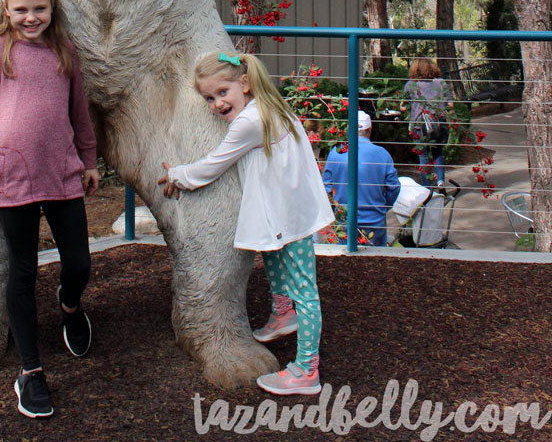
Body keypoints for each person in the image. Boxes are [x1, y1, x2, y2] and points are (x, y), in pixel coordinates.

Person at [0, 0, 99, 420]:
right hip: (12, 178)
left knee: (79, 263)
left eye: (38, 9)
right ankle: (31, 371)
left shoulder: (65, 52)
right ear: (7, 10)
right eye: (21, 10)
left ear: (51, 8)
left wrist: (88, 159)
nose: (30, 17)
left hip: (62, 172)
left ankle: (68, 304)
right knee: (22, 272)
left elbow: (79, 113)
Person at [158, 50, 334, 397]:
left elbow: (214, 164)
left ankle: (305, 370)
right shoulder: (271, 107)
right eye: (209, 98)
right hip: (283, 209)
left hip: (290, 215)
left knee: (306, 292)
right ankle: (283, 311)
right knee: (268, 253)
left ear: (245, 83)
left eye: (223, 93)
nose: (216, 103)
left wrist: (177, 175)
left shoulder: (250, 122)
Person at [322, 110, 400, 246]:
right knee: (375, 261)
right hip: (375, 221)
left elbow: (326, 187)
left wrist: (337, 209)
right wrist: (381, 207)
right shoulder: (382, 154)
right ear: (370, 130)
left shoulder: (336, 152)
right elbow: (394, 187)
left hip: (345, 220)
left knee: (346, 262)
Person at [404, 57, 453, 191]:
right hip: (439, 124)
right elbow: (451, 104)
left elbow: (403, 105)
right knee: (438, 152)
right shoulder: (441, 83)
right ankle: (440, 182)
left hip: (419, 126)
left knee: (423, 157)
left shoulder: (410, 85)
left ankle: (426, 188)